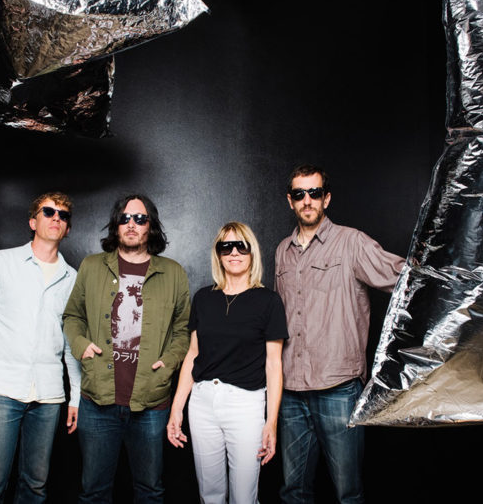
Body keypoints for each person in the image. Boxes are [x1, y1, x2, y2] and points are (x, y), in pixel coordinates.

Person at [275, 164, 405, 504]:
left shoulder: (351, 242)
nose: (307, 201)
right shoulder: (281, 251)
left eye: (314, 193)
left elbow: (402, 276)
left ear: (326, 199)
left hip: (338, 388)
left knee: (348, 492)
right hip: (290, 390)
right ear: (290, 201)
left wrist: (453, 264)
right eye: (299, 194)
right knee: (292, 490)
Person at [63, 193, 191, 503]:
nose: (131, 224)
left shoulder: (172, 273)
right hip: (98, 400)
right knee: (93, 491)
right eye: (124, 218)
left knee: (149, 491)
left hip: (151, 401)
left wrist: (170, 361)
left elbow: (183, 330)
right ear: (116, 226)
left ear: (151, 226)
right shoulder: (92, 266)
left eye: (139, 218)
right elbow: (72, 316)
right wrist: (81, 346)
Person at [0, 192, 82, 503]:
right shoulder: (1, 262)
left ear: (68, 229)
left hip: (48, 397)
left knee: (35, 487)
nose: (56, 217)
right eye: (48, 212)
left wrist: (76, 397)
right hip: (0, 390)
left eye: (63, 215)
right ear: (33, 221)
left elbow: (71, 342)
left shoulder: (72, 279)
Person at [167, 221, 287, 504]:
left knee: (244, 498)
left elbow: (274, 365)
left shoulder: (268, 301)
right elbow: (193, 355)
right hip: (203, 402)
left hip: (245, 405)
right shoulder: (203, 298)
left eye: (241, 245)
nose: (234, 252)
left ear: (251, 252)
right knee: (209, 495)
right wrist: (176, 409)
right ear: (218, 254)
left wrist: (271, 423)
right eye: (226, 246)